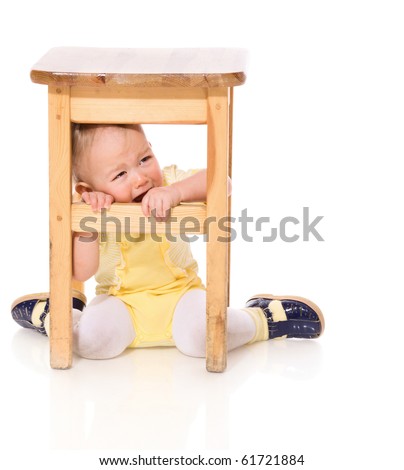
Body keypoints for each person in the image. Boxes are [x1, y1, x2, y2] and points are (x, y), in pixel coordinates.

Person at [11, 124, 324, 360]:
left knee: (205, 338)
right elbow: (82, 271)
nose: (141, 177)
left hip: (181, 294)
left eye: (145, 158)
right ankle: (57, 314)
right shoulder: (92, 208)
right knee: (91, 344)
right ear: (87, 188)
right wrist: (89, 224)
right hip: (122, 301)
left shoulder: (172, 182)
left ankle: (264, 317)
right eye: (120, 175)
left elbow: (222, 181)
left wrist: (177, 193)